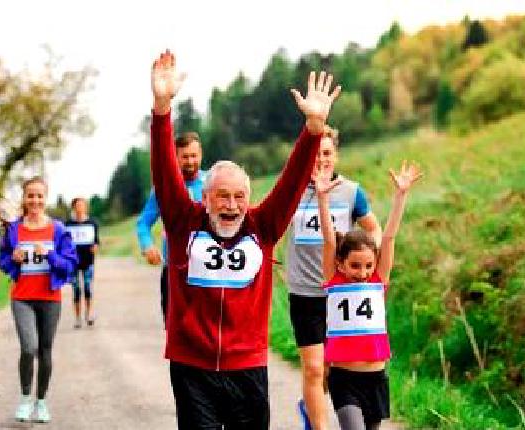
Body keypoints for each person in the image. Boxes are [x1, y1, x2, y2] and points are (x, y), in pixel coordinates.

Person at [149, 50, 340, 429]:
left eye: (239, 197)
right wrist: (161, 109)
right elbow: (164, 170)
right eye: (222, 196)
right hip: (193, 366)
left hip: (247, 366)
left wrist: (314, 130)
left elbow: (290, 183)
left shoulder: (263, 225)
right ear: (205, 197)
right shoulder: (183, 221)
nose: (232, 206)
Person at [286, 125, 381, 430]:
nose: (320, 160)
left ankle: (309, 407)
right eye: (314, 154)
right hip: (305, 293)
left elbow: (374, 230)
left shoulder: (352, 192)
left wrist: (369, 265)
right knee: (314, 368)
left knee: (332, 370)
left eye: (326, 153)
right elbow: (270, 226)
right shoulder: (292, 190)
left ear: (335, 155)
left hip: (342, 296)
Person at [316, 161, 421, 430]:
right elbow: (329, 239)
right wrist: (322, 198)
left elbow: (388, 239)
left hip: (375, 377)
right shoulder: (334, 280)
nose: (362, 272)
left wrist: (401, 196)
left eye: (368, 266)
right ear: (340, 264)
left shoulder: (378, 282)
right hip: (344, 378)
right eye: (355, 266)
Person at [0, 176, 77, 423]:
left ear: (46, 198)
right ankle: (25, 398)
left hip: (49, 298)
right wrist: (14, 258)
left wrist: (51, 256)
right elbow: (3, 260)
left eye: (39, 195)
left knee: (45, 350)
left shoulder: (58, 230)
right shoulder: (14, 229)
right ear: (24, 198)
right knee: (28, 347)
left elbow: (70, 265)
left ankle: (41, 402)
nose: (34, 200)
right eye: (30, 195)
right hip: (22, 297)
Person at [136, 131, 205, 323]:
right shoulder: (164, 188)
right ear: (175, 157)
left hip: (208, 269)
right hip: (174, 271)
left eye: (194, 156)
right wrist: (147, 246)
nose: (190, 162)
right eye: (184, 157)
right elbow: (143, 222)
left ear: (201, 155)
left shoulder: (213, 183)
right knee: (174, 330)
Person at [65, 197, 100, 328]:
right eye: (77, 205)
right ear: (73, 207)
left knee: (87, 288)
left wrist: (96, 246)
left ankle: (89, 313)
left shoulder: (92, 223)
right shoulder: (68, 224)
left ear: (86, 207)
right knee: (76, 290)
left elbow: (96, 240)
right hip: (73, 261)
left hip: (88, 260)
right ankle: (77, 318)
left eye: (82, 205)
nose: (80, 208)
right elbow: (64, 242)